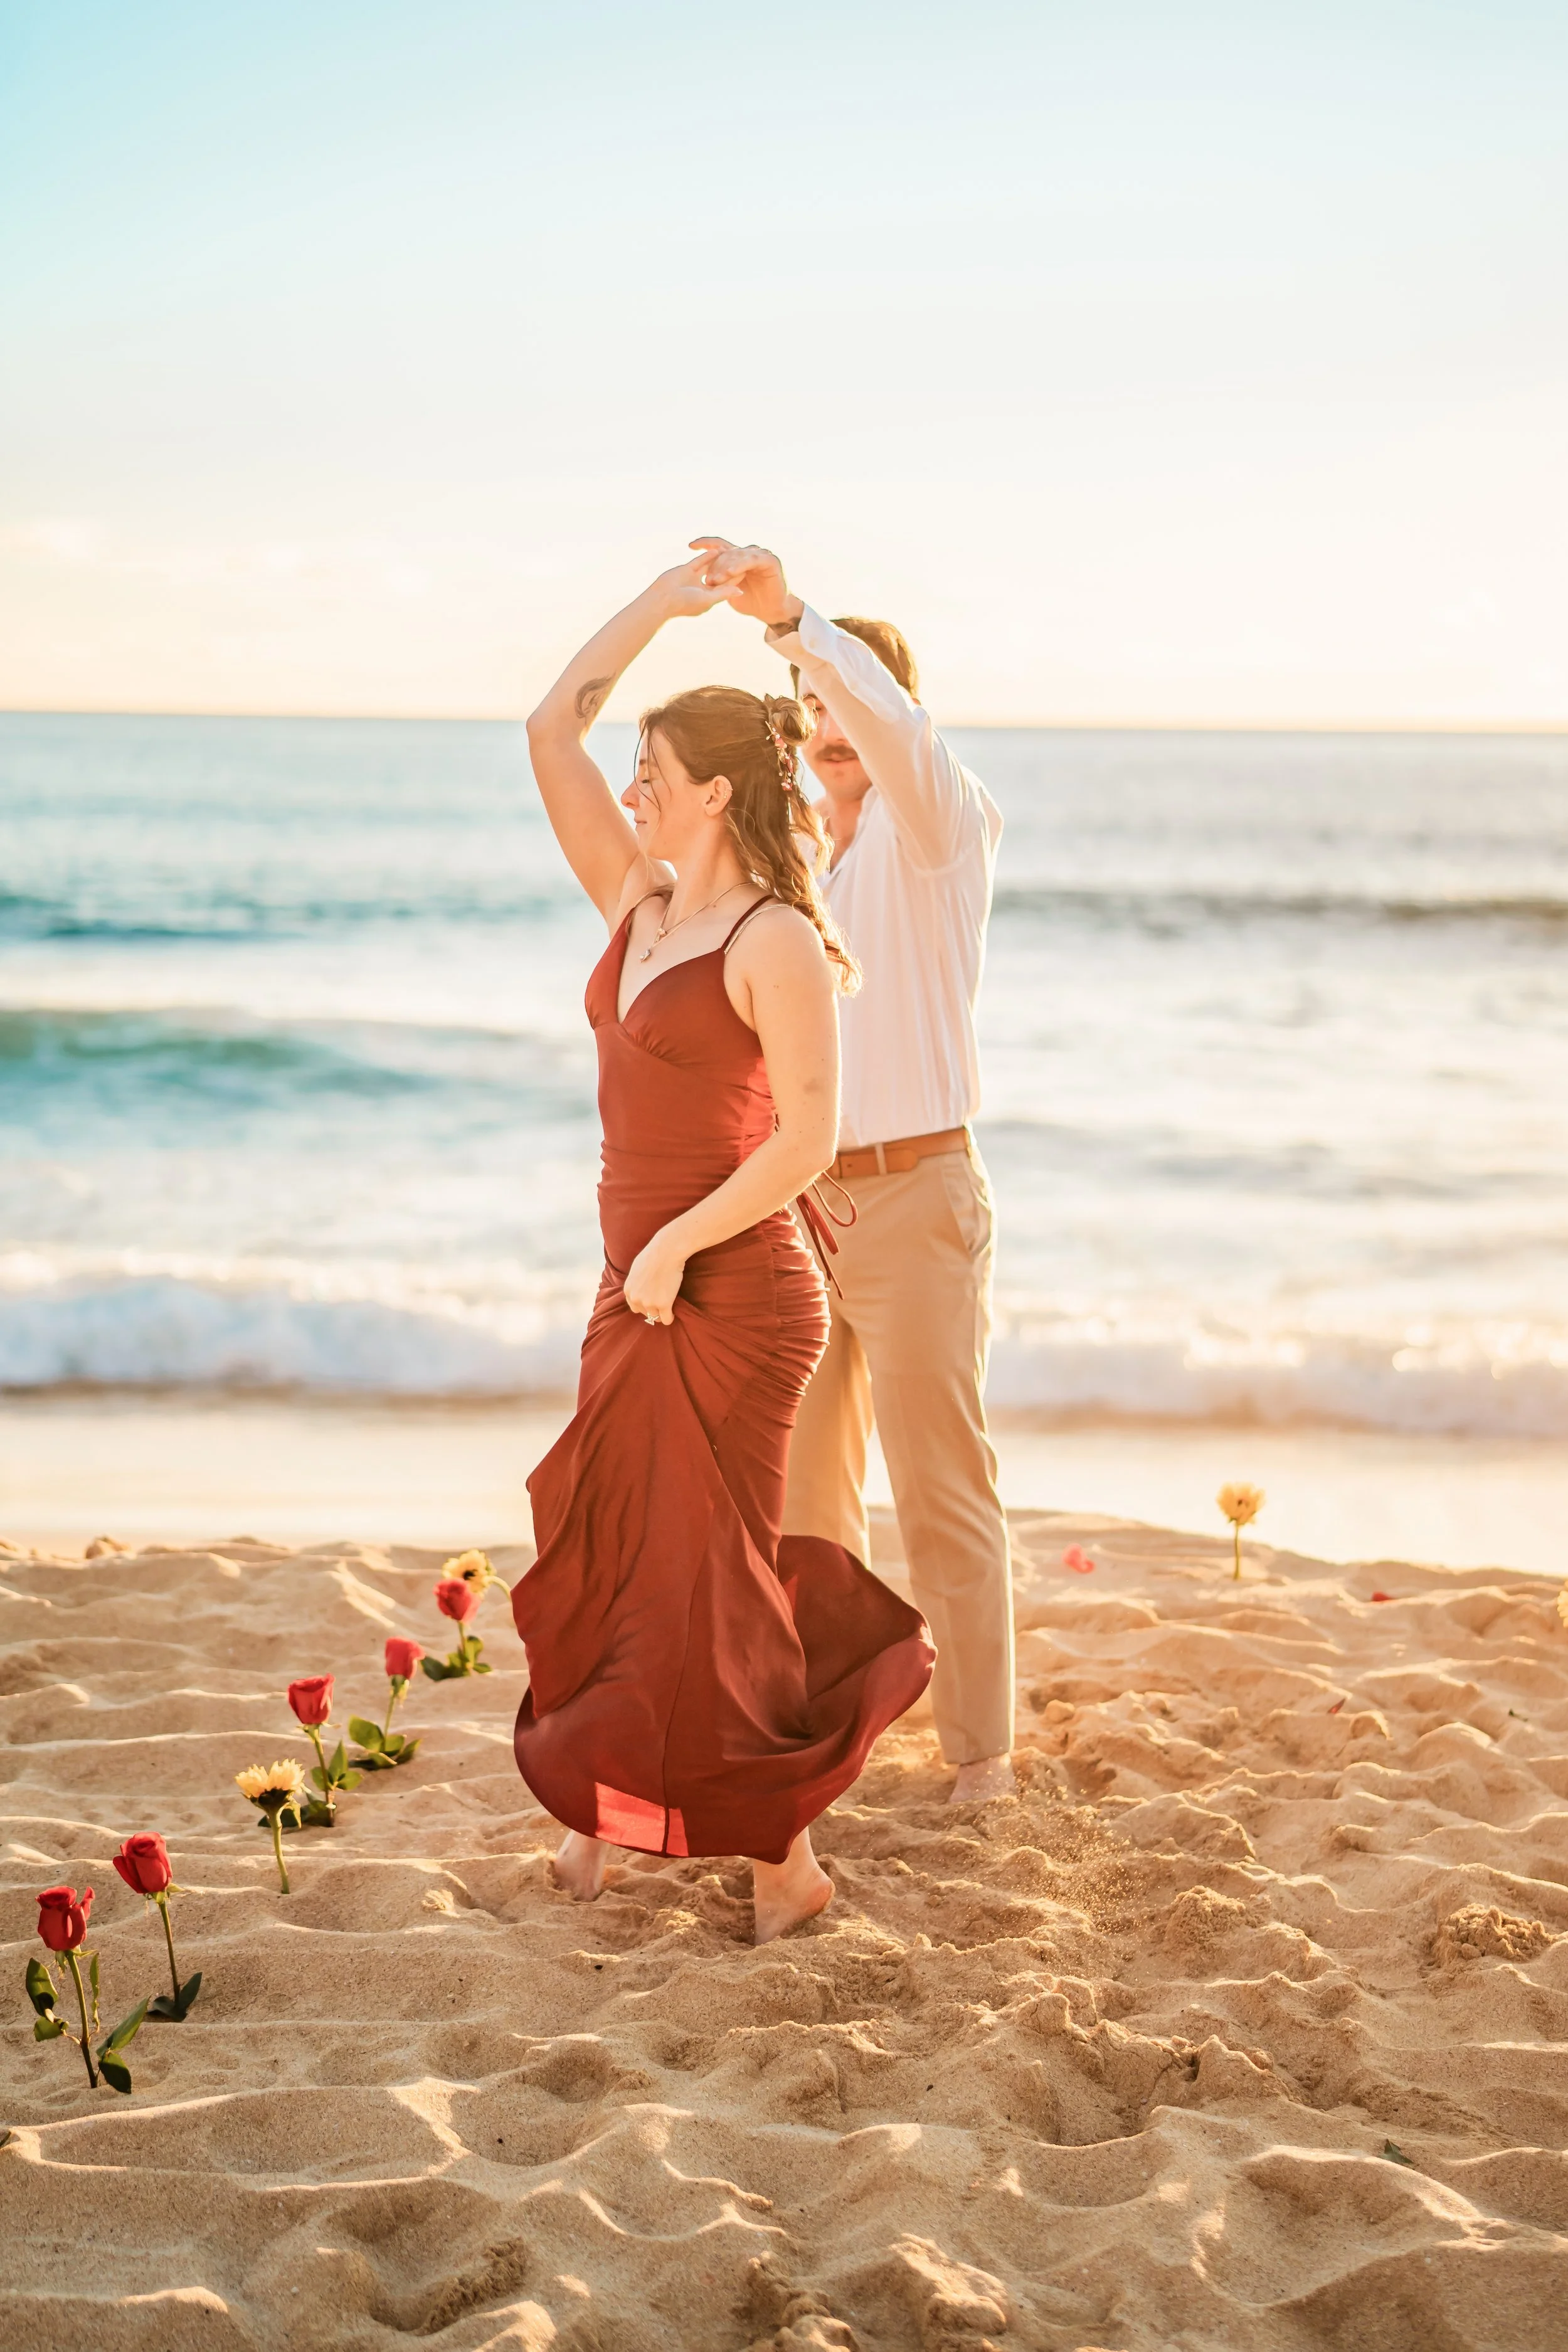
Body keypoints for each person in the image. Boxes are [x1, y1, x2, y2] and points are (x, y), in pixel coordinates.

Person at [514, 554, 934, 1944]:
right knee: (619, 1559)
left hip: (739, 1293)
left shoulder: (775, 943)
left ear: (709, 790)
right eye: (630, 770)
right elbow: (545, 730)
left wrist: (677, 1246)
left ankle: (782, 1867)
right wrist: (659, 603)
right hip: (634, 1285)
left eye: (651, 771)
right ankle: (606, 1823)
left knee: (722, 1584)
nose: (629, 788)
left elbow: (804, 1143)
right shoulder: (636, 905)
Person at [694, 538, 1015, 1803]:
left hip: (918, 1196)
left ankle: (979, 1754)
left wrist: (797, 629)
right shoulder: (793, 877)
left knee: (943, 1486)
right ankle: (827, 1733)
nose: (828, 728)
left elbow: (888, 729)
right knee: (803, 1494)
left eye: (848, 709)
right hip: (800, 1200)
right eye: (810, 716)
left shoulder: (940, 830)